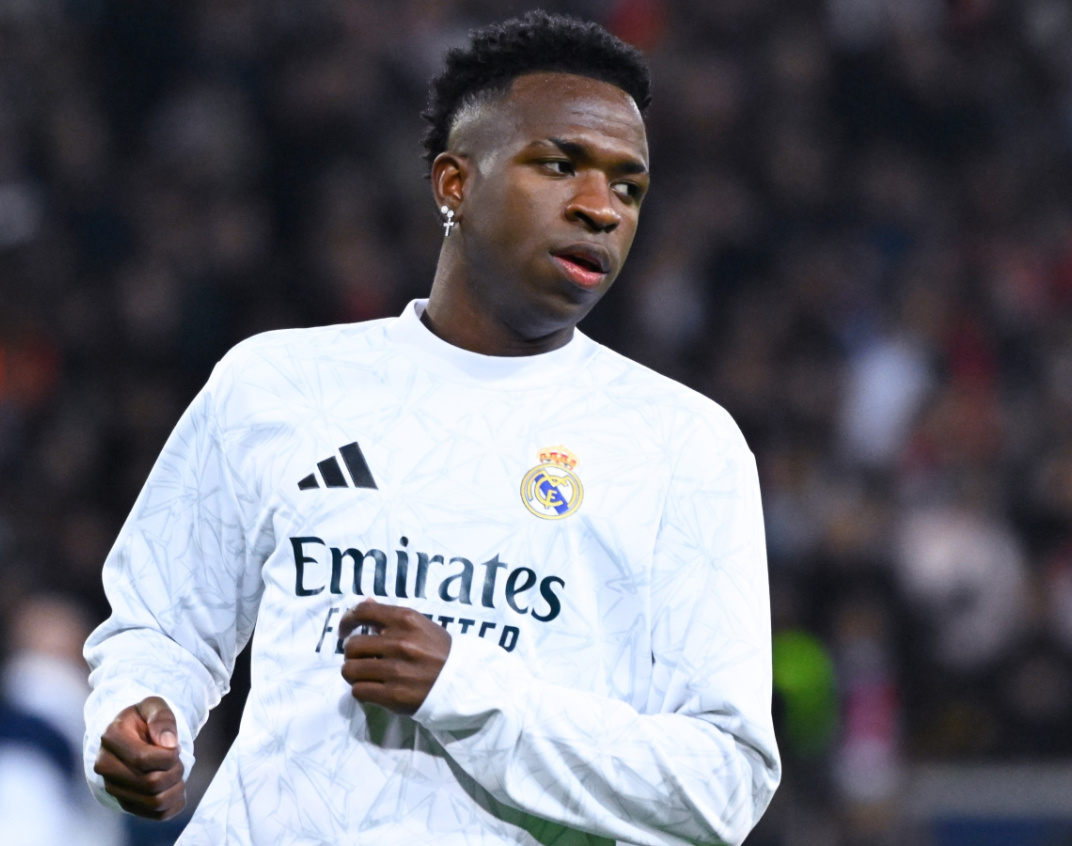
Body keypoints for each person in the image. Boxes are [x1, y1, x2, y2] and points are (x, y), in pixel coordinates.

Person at [83, 11, 780, 845]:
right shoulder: (278, 385)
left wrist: (466, 693)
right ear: (454, 183)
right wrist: (136, 713)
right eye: (560, 166)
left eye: (628, 188)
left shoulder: (683, 445)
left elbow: (724, 782)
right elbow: (160, 626)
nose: (601, 208)